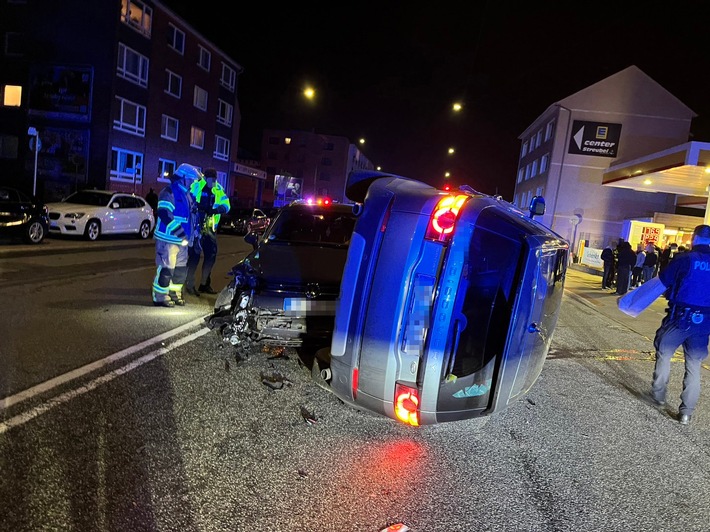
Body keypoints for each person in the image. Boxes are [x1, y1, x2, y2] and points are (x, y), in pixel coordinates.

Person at [619, 224, 710, 425]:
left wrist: (631, 303)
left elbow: (659, 284)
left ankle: (658, 396)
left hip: (680, 319)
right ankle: (686, 413)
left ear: (694, 239)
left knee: (664, 352)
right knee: (694, 365)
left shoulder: (685, 260)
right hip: (704, 324)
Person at [151, 163, 200, 307]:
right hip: (168, 239)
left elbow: (191, 217)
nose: (193, 183)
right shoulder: (169, 192)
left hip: (182, 241)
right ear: (184, 178)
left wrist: (194, 235)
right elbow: (164, 214)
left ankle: (174, 293)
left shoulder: (187, 195)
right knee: (167, 269)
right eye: (192, 180)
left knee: (179, 271)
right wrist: (180, 234)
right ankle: (160, 296)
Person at [185, 167, 231, 296]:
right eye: (211, 179)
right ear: (205, 178)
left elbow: (227, 205)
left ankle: (205, 283)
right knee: (194, 257)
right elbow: (188, 201)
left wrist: (217, 210)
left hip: (210, 228)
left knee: (210, 256)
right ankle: (189, 284)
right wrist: (198, 208)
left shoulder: (218, 189)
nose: (213, 181)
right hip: (196, 228)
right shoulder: (196, 186)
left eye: (214, 179)